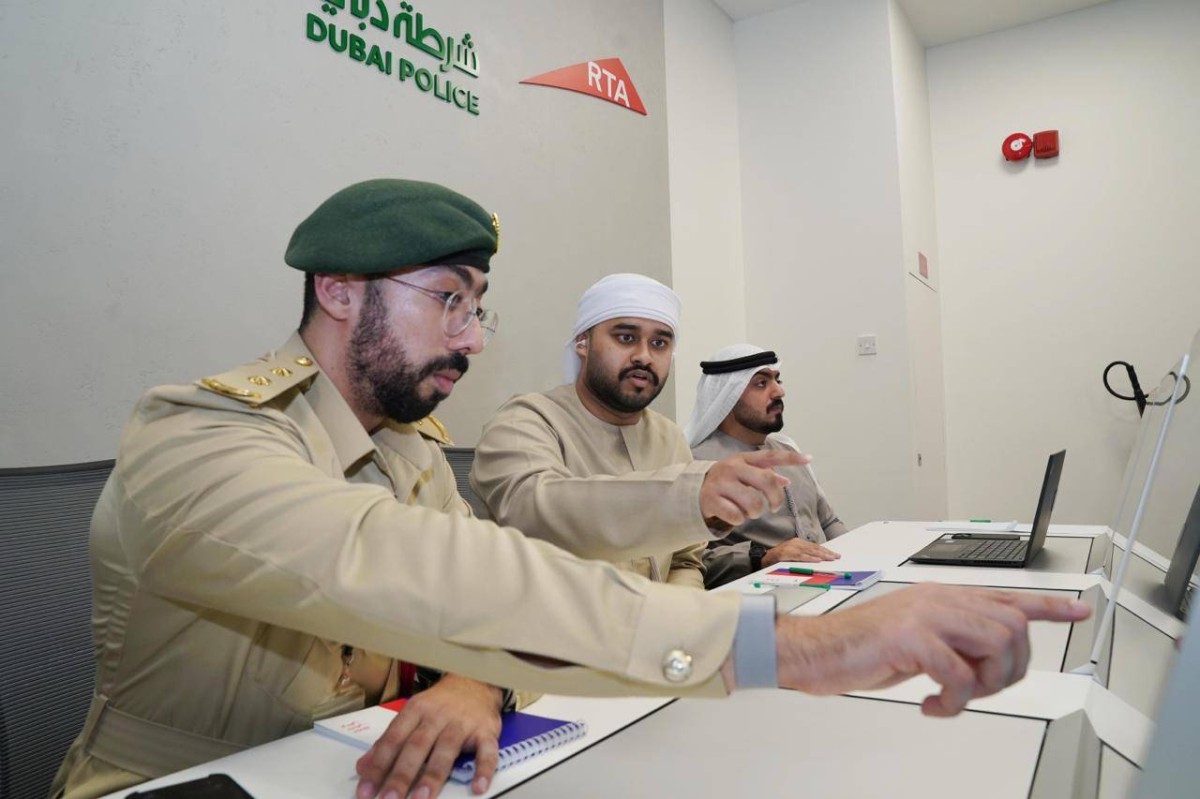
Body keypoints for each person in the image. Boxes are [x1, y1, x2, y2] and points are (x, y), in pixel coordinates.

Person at [54, 179, 1090, 799]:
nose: (470, 337)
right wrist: (798, 646)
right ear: (336, 290)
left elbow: (478, 600)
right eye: (448, 299)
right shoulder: (196, 436)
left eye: (478, 308)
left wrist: (476, 682)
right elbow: (415, 568)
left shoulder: (410, 452)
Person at [468, 274, 716, 587]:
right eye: (626, 337)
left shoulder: (670, 438)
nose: (644, 356)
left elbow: (684, 560)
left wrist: (679, 608)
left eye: (659, 343)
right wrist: (688, 495)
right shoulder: (526, 421)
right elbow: (532, 512)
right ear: (583, 343)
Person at [686, 344, 848, 587]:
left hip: (827, 582)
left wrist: (858, 562)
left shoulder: (788, 450)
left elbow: (828, 522)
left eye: (777, 380)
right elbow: (689, 562)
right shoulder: (698, 465)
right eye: (761, 383)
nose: (779, 391)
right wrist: (762, 557)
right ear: (727, 397)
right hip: (755, 595)